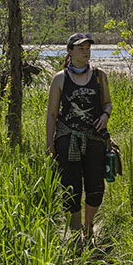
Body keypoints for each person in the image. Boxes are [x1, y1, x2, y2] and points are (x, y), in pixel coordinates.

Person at [46, 33, 112, 249]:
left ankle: (89, 226)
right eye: (80, 47)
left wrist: (105, 115)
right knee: (70, 186)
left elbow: (107, 103)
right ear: (70, 52)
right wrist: (50, 145)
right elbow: (52, 114)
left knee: (95, 186)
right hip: (67, 140)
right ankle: (75, 235)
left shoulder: (100, 76)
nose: (85, 51)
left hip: (95, 140)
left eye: (87, 47)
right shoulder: (60, 78)